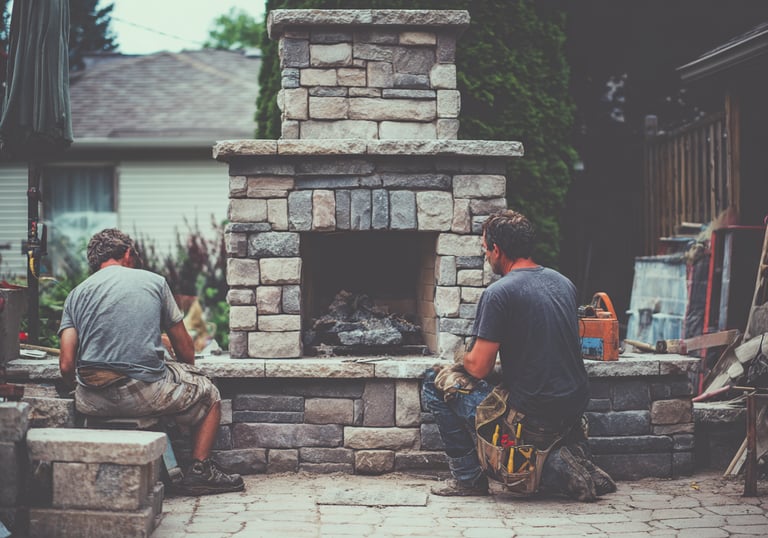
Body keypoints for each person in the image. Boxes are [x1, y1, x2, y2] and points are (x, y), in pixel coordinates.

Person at [422, 210, 615, 500]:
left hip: (532, 412)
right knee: (507, 393)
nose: (486, 256)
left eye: (486, 249)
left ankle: (469, 479)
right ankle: (575, 457)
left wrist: (460, 356)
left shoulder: (499, 293)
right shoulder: (563, 283)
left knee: (433, 382)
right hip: (571, 407)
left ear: (497, 250)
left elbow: (478, 368)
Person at [58, 229, 244, 496]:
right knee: (209, 393)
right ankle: (201, 472)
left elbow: (66, 364)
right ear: (126, 253)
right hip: (143, 393)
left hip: (91, 400)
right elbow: (185, 349)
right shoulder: (153, 281)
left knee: (159, 383)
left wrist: (75, 387)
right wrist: (186, 371)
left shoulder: (76, 294)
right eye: (135, 254)